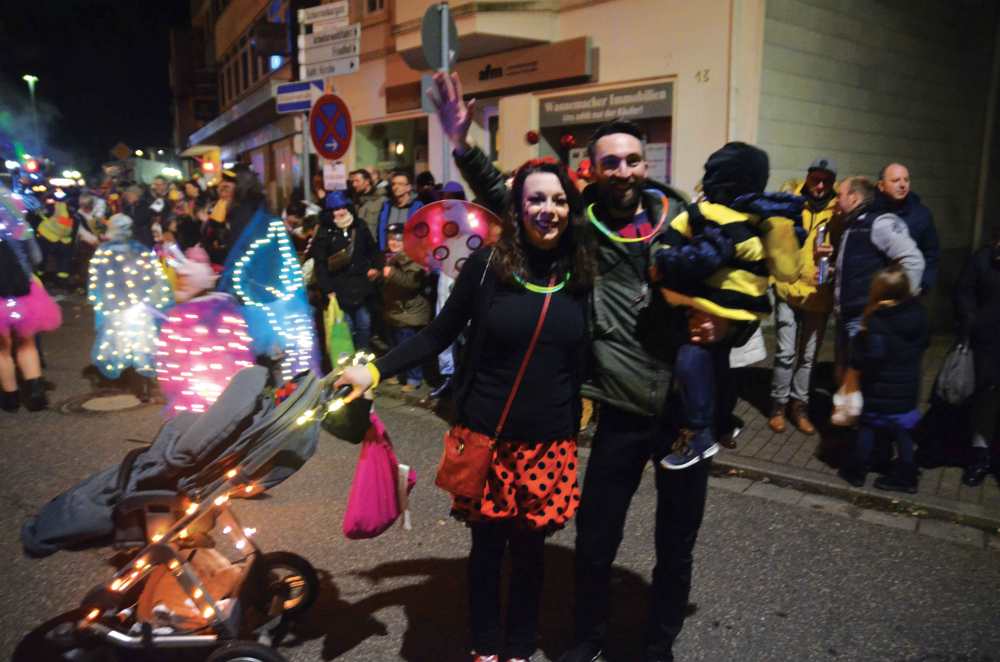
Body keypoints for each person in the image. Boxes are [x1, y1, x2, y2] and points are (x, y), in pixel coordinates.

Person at [426, 71, 699, 662]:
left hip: (685, 409)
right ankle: (586, 642)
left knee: (676, 544)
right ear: (592, 172)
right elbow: (514, 197)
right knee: (596, 540)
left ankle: (658, 647)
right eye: (610, 163)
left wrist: (727, 332)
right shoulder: (583, 228)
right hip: (622, 403)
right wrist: (463, 145)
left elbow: (740, 287)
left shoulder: (683, 221)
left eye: (632, 160)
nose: (622, 171)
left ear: (646, 164)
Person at [337, 158, 595, 662]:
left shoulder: (580, 271)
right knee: (487, 553)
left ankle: (519, 648)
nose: (548, 209)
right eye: (536, 199)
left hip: (548, 442)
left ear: (571, 208)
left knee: (531, 557)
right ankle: (484, 646)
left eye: (559, 199)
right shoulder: (488, 266)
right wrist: (374, 372)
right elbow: (437, 334)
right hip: (488, 436)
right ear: (517, 208)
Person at [649, 142, 803, 469]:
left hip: (713, 304)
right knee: (717, 364)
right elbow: (785, 268)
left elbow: (699, 258)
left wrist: (665, 262)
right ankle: (721, 421)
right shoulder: (763, 218)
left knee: (692, 361)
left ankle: (700, 434)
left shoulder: (718, 219)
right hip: (738, 307)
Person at [829, 176, 924, 424]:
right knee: (847, 380)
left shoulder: (879, 223)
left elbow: (913, 261)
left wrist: (898, 305)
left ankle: (863, 436)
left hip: (862, 316)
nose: (836, 201)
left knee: (861, 381)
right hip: (847, 314)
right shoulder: (853, 224)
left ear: (854, 198)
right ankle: (850, 431)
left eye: (839, 195)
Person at [837, 264, 928, 492]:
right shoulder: (918, 313)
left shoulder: (878, 320)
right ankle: (907, 473)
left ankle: (857, 470)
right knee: (902, 431)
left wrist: (860, 339)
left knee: (867, 427)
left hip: (879, 388)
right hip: (907, 386)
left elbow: (872, 356)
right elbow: (925, 343)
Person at [768, 158, 839, 434]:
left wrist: (833, 259)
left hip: (818, 292)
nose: (820, 186)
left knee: (808, 356)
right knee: (786, 352)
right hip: (788, 287)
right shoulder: (790, 201)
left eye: (826, 181)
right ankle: (778, 405)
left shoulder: (839, 210)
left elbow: (847, 247)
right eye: (815, 179)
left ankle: (799, 406)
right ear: (807, 177)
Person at [0, 191, 61, 411]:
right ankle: (36, 396)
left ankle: (10, 398)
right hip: (22, 288)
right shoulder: (18, 223)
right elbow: (36, 257)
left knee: (2, 348)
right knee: (26, 342)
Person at [955, 223, 1000, 486]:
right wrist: (973, 321)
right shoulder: (983, 260)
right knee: (986, 399)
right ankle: (980, 456)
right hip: (988, 343)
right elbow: (964, 291)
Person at [309, 190, 382, 351]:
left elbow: (373, 250)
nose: (340, 212)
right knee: (346, 328)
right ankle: (347, 360)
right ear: (329, 212)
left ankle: (362, 357)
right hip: (338, 290)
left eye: (343, 207)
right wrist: (327, 289)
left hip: (361, 288)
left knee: (364, 325)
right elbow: (320, 264)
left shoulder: (360, 226)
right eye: (336, 209)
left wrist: (376, 268)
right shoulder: (324, 232)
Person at [872, 163, 939, 293]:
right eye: (895, 180)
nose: (903, 185)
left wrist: (923, 285)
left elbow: (931, 253)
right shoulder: (869, 211)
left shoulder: (921, 215)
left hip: (905, 291)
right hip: (871, 291)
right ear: (881, 186)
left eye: (906, 180)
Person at [381, 223, 432, 392]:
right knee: (395, 346)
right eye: (391, 238)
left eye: (398, 239)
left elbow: (412, 283)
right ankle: (398, 374)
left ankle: (414, 378)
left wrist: (392, 273)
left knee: (409, 347)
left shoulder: (414, 257)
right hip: (395, 311)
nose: (393, 242)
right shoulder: (389, 256)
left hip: (410, 312)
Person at [376, 171, 424, 250]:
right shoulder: (386, 206)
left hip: (409, 253)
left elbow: (421, 233)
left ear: (408, 187)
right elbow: (381, 231)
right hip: (388, 253)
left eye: (400, 184)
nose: (396, 187)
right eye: (393, 184)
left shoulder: (417, 207)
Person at [349, 168, 385, 239]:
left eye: (357, 181)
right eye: (353, 182)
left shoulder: (381, 200)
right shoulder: (355, 201)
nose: (354, 184)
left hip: (373, 243)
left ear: (367, 181)